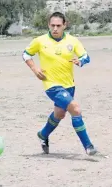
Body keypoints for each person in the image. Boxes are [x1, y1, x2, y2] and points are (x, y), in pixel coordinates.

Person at [22, 12, 97, 156]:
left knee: (60, 114)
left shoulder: (73, 41)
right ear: (48, 25)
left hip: (69, 85)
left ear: (64, 25)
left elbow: (86, 56)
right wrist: (34, 68)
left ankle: (43, 135)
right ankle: (88, 146)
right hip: (51, 85)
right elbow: (26, 54)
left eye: (58, 25)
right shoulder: (40, 41)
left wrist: (80, 61)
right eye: (52, 25)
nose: (55, 28)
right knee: (75, 108)